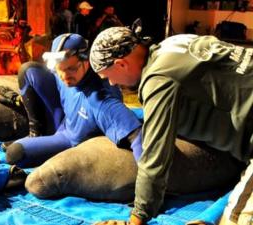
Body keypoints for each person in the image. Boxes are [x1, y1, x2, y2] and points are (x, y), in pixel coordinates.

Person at [89, 19, 253, 225]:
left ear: (121, 63)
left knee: (237, 219)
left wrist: (138, 217)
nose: (112, 83)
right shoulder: (174, 43)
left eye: (108, 76)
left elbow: (155, 155)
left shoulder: (158, 79)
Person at [0, 33, 142, 168]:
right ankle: (37, 133)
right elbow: (43, 75)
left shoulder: (100, 99)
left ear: (87, 62)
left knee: (14, 153)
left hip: (69, 139)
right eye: (60, 69)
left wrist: (149, 186)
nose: (65, 76)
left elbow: (137, 136)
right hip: (63, 119)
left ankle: (42, 139)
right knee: (28, 70)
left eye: (72, 69)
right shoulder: (65, 74)